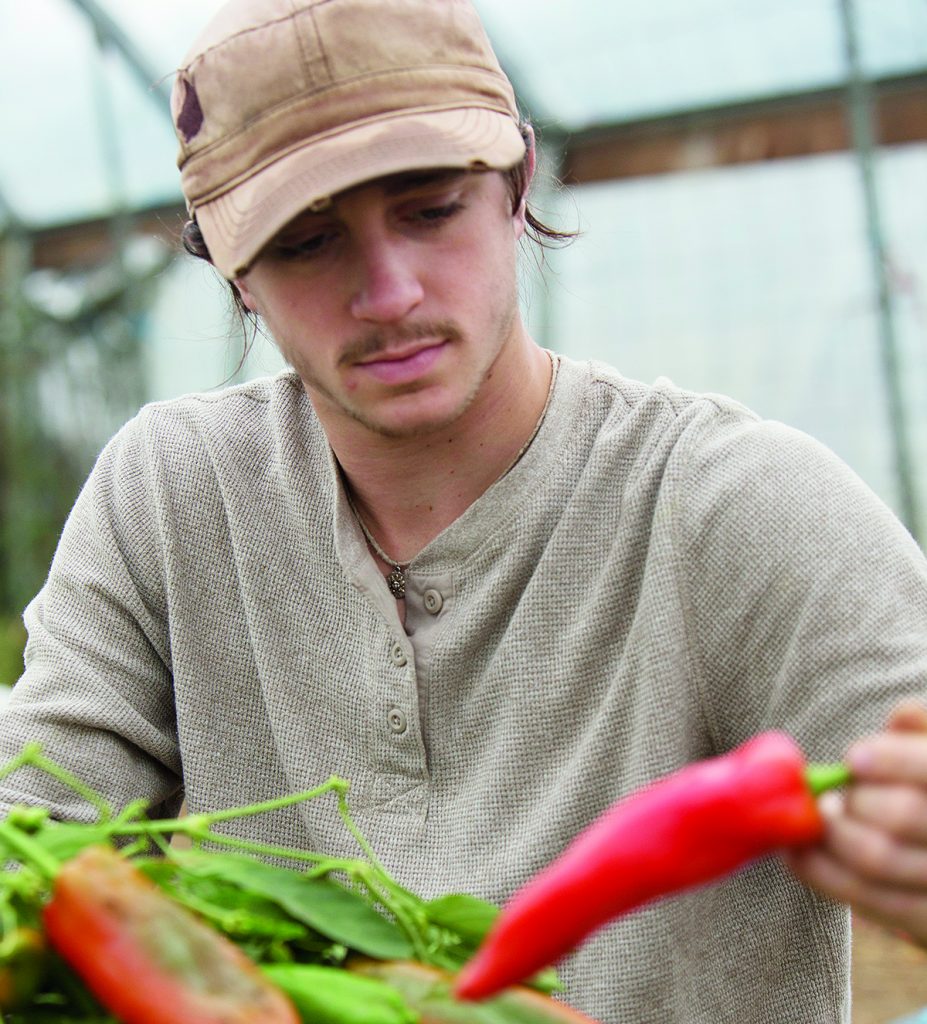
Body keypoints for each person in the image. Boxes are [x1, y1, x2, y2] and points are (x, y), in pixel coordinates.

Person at [2, 1, 927, 1021]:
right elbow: (34, 823)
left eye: (431, 207)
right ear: (234, 270)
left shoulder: (730, 503)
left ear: (518, 182)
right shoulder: (172, 495)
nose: (389, 291)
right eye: (308, 242)